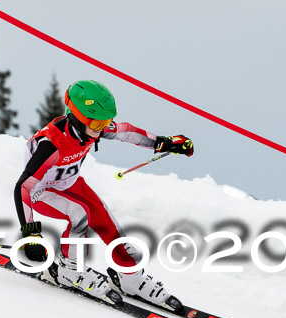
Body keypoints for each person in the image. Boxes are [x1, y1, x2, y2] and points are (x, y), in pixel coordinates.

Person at [14, 80, 194, 305]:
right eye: (98, 123)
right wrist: (30, 234)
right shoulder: (51, 145)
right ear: (77, 117)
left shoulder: (90, 129)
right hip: (41, 193)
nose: (103, 128)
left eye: (106, 122)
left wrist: (165, 143)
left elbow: (126, 132)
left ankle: (130, 277)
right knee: (79, 214)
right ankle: (71, 271)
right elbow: (24, 187)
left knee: (106, 221)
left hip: (70, 183)